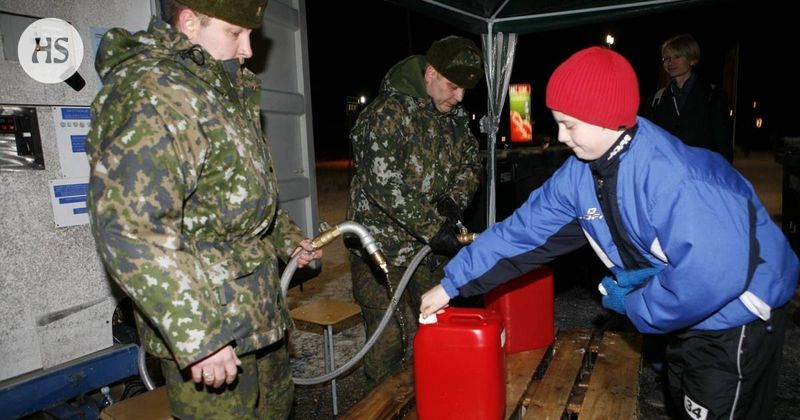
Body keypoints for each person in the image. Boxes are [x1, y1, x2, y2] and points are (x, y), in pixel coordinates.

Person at [420, 46, 799, 419]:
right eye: (558, 122)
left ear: (609, 118)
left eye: (570, 124)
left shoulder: (675, 179)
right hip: (682, 309)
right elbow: (521, 233)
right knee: (683, 399)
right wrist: (452, 283)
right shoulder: (581, 172)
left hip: (735, 314)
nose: (562, 136)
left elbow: (713, 276)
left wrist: (638, 302)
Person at [85, 1, 322, 418]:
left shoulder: (224, 91)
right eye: (235, 33)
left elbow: (241, 197)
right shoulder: (153, 91)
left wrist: (289, 240)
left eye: (251, 34)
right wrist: (201, 338)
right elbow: (131, 228)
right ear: (190, 23)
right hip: (211, 324)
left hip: (256, 314)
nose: (248, 48)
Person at [346, 35, 484, 386]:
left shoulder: (453, 116)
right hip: (380, 247)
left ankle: (442, 397)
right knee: (386, 340)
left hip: (426, 249)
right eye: (453, 86)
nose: (460, 98)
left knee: (441, 326)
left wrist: (454, 198)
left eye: (465, 90)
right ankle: (380, 404)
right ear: (430, 73)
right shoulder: (385, 114)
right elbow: (383, 185)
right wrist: (432, 227)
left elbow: (471, 160)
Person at [641, 33, 733, 162]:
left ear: (692, 60)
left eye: (676, 56)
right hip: (668, 174)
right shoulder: (655, 100)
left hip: (702, 172)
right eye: (666, 58)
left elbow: (723, 145)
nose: (670, 62)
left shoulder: (713, 96)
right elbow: (649, 142)